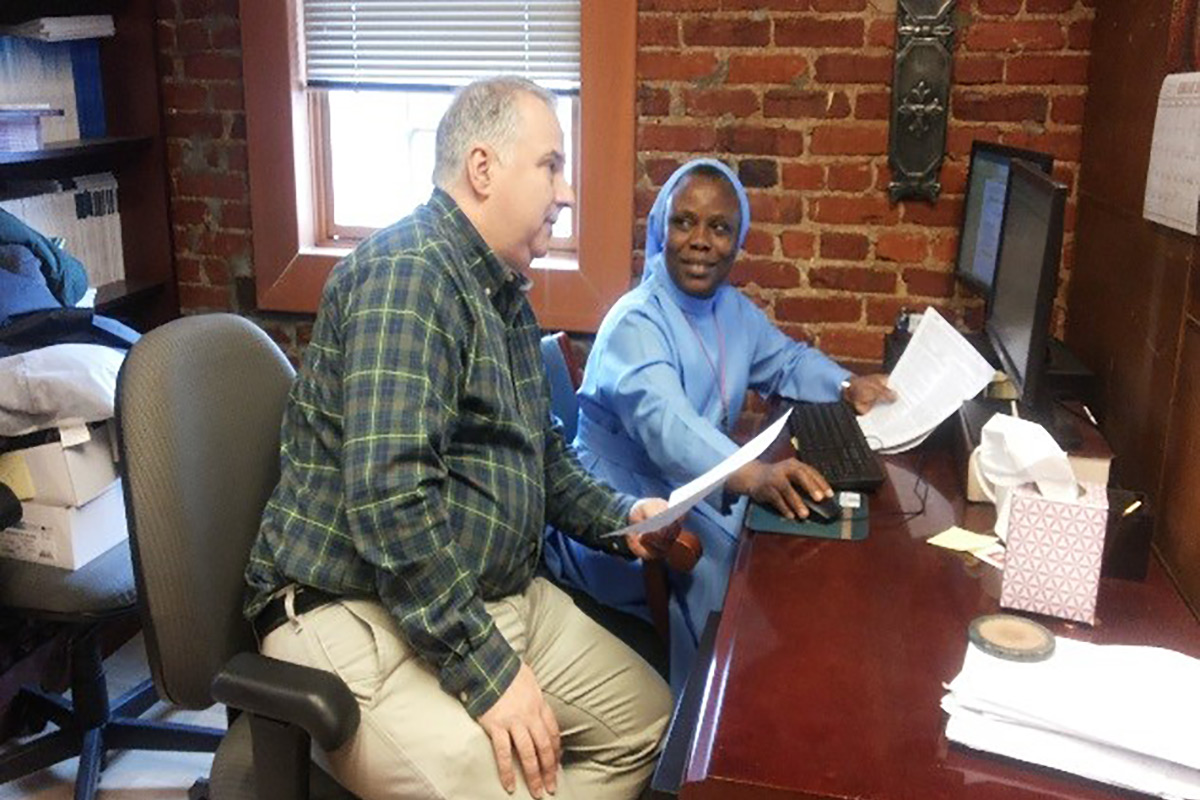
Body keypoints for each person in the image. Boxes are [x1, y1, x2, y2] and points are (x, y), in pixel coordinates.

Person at [243, 76, 677, 800]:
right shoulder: (410, 276)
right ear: (483, 170)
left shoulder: (499, 290)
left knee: (650, 724)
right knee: (519, 784)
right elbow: (390, 500)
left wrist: (623, 519)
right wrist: (489, 675)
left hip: (482, 595)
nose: (565, 192)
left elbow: (542, 456)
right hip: (352, 606)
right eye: (550, 166)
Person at [543, 158, 894, 693]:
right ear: (662, 228)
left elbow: (787, 362)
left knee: (775, 554)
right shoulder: (636, 320)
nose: (700, 241)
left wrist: (847, 386)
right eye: (684, 222)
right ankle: (705, 743)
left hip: (693, 486)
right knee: (731, 572)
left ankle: (777, 691)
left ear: (738, 240)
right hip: (618, 511)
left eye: (719, 227)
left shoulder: (733, 311)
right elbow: (668, 427)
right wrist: (753, 474)